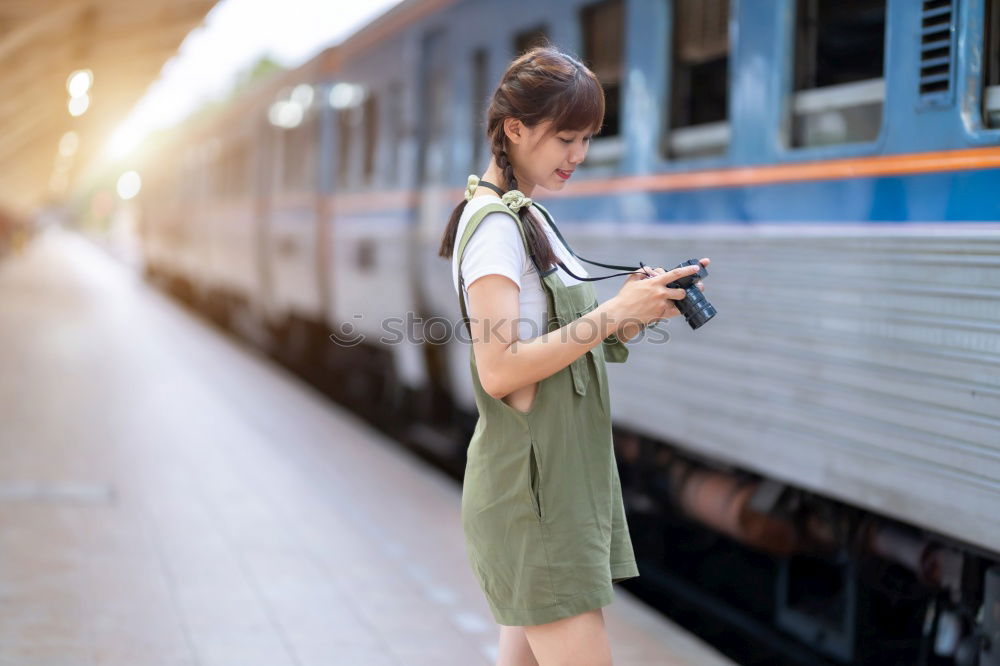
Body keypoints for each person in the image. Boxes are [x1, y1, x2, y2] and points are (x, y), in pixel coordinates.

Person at [438, 45, 710, 666]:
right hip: (535, 493)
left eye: (587, 139)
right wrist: (611, 314)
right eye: (566, 138)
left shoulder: (528, 217)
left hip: (554, 482)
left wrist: (637, 310)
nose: (578, 156)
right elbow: (500, 367)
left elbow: (569, 344)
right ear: (514, 128)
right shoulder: (496, 229)